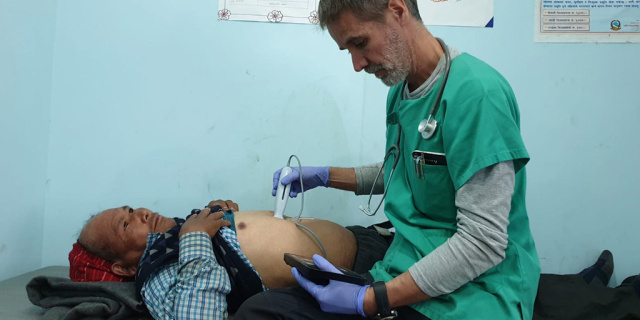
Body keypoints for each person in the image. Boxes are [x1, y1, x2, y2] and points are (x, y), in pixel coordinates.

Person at [235, 0, 539, 319]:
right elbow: (403, 172)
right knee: (261, 311)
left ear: (396, 10)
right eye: (347, 51)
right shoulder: (400, 90)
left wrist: (371, 299)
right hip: (402, 271)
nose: (356, 64)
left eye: (360, 43)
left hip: (471, 293)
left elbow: (483, 242)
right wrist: (323, 176)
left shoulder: (478, 95)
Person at [70, 200, 392, 319]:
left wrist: (221, 215)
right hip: (355, 278)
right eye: (126, 225)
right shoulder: (156, 273)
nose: (141, 213)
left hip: (365, 238)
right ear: (122, 267)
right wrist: (196, 238)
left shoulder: (183, 229)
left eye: (131, 209)